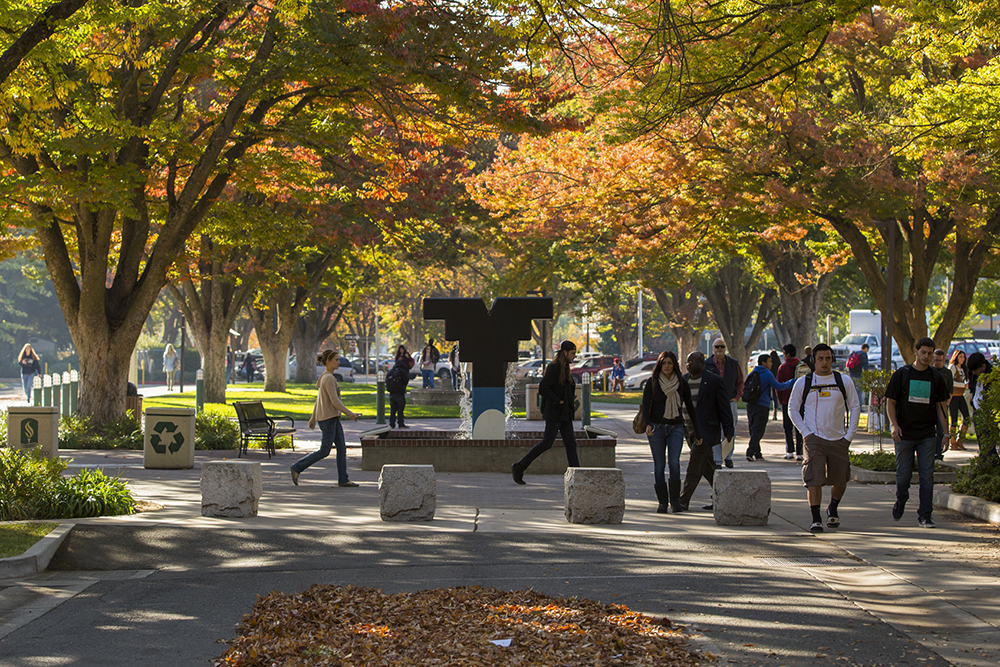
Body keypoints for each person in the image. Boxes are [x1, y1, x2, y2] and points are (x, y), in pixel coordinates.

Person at [788, 343, 861, 533]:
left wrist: (849, 435)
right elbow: (792, 409)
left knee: (840, 480)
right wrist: (806, 432)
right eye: (820, 358)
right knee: (814, 479)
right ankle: (816, 518)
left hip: (839, 438)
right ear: (813, 360)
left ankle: (833, 507)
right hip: (814, 438)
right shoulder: (804, 382)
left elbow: (854, 407)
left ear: (832, 360)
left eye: (828, 358)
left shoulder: (843, 380)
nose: (824, 362)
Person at [885, 337, 950, 528]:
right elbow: (891, 402)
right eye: (924, 352)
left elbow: (941, 407)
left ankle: (925, 515)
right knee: (903, 475)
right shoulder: (902, 374)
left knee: (927, 476)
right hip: (904, 434)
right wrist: (893, 425)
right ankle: (901, 498)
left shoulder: (936, 377)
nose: (927, 357)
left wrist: (946, 434)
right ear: (916, 351)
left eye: (930, 353)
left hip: (927, 435)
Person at [511, 340, 580, 484]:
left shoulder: (566, 368)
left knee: (571, 444)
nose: (574, 356)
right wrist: (557, 401)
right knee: (547, 443)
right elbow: (543, 388)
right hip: (555, 413)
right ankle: (519, 467)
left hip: (564, 413)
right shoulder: (554, 367)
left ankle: (577, 476)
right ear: (565, 353)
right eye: (573, 353)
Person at [290, 350, 360, 487]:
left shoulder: (325, 377)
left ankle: (343, 479)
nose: (339, 362)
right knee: (324, 451)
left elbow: (319, 400)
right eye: (336, 360)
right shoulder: (328, 378)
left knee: (341, 448)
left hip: (332, 418)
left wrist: (313, 418)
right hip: (329, 419)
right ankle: (297, 467)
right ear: (328, 361)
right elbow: (334, 401)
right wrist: (350, 414)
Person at [641, 351, 698, 513]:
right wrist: (647, 424)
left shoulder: (681, 383)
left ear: (674, 365)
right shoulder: (653, 382)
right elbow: (645, 406)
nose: (666, 366)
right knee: (659, 466)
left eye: (670, 363)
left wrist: (697, 432)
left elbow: (690, 409)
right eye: (664, 363)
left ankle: (675, 501)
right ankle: (662, 502)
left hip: (676, 428)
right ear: (660, 364)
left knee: (674, 463)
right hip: (656, 428)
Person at [678, 351, 735, 511]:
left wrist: (729, 429)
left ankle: (683, 500)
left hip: (706, 431)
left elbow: (724, 407)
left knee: (695, 465)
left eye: (693, 362)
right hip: (689, 430)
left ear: (702, 363)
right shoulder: (683, 380)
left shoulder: (714, 381)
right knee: (707, 466)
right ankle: (724, 496)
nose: (689, 365)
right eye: (688, 362)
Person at [744, 353, 795, 461]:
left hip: (750, 404)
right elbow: (779, 386)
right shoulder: (767, 374)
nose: (771, 363)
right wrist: (793, 382)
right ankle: (750, 451)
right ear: (764, 363)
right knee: (759, 430)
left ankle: (758, 453)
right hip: (762, 405)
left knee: (753, 429)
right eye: (769, 361)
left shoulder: (753, 372)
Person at [705, 338, 743, 468]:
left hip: (729, 401)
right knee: (716, 430)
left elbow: (740, 382)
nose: (719, 349)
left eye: (722, 347)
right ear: (713, 349)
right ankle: (717, 460)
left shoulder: (733, 364)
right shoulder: (707, 364)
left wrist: (737, 397)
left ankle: (728, 456)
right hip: (713, 403)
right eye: (717, 347)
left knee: (730, 429)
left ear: (725, 348)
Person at [967, 352, 997, 464]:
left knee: (988, 438)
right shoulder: (973, 372)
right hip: (977, 408)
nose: (974, 373)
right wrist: (971, 394)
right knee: (981, 437)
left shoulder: (992, 375)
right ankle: (985, 460)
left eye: (976, 371)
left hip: (988, 411)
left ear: (983, 367)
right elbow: (971, 381)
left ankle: (990, 462)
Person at [776, 344, 804, 460]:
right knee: (800, 426)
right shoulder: (802, 366)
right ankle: (800, 452)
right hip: (801, 401)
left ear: (787, 354)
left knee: (787, 426)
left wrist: (780, 400)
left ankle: (790, 451)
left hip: (787, 400)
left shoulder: (783, 367)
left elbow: (779, 385)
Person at [932, 349, 953, 460]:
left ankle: (938, 453)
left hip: (943, 404)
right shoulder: (930, 371)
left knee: (941, 430)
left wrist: (946, 404)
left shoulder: (947, 373)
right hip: (930, 405)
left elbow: (950, 390)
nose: (938, 363)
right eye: (936, 360)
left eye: (940, 360)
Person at [948, 349, 970, 451]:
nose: (962, 359)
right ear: (956, 357)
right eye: (960, 356)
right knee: (954, 420)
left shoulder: (963, 369)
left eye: (963, 357)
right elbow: (950, 382)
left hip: (961, 395)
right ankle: (952, 443)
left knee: (967, 418)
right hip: (954, 396)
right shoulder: (952, 367)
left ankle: (959, 441)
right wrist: (963, 385)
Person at [387, 345, 414, 429]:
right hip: (400, 393)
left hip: (392, 393)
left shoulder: (391, 372)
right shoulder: (402, 372)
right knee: (400, 409)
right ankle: (401, 423)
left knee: (393, 410)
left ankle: (391, 424)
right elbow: (406, 380)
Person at [769, 350, 781, 420]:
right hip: (778, 381)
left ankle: (774, 413)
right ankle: (776, 411)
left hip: (771, 381)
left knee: (773, 397)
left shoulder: (770, 364)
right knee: (777, 397)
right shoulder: (779, 364)